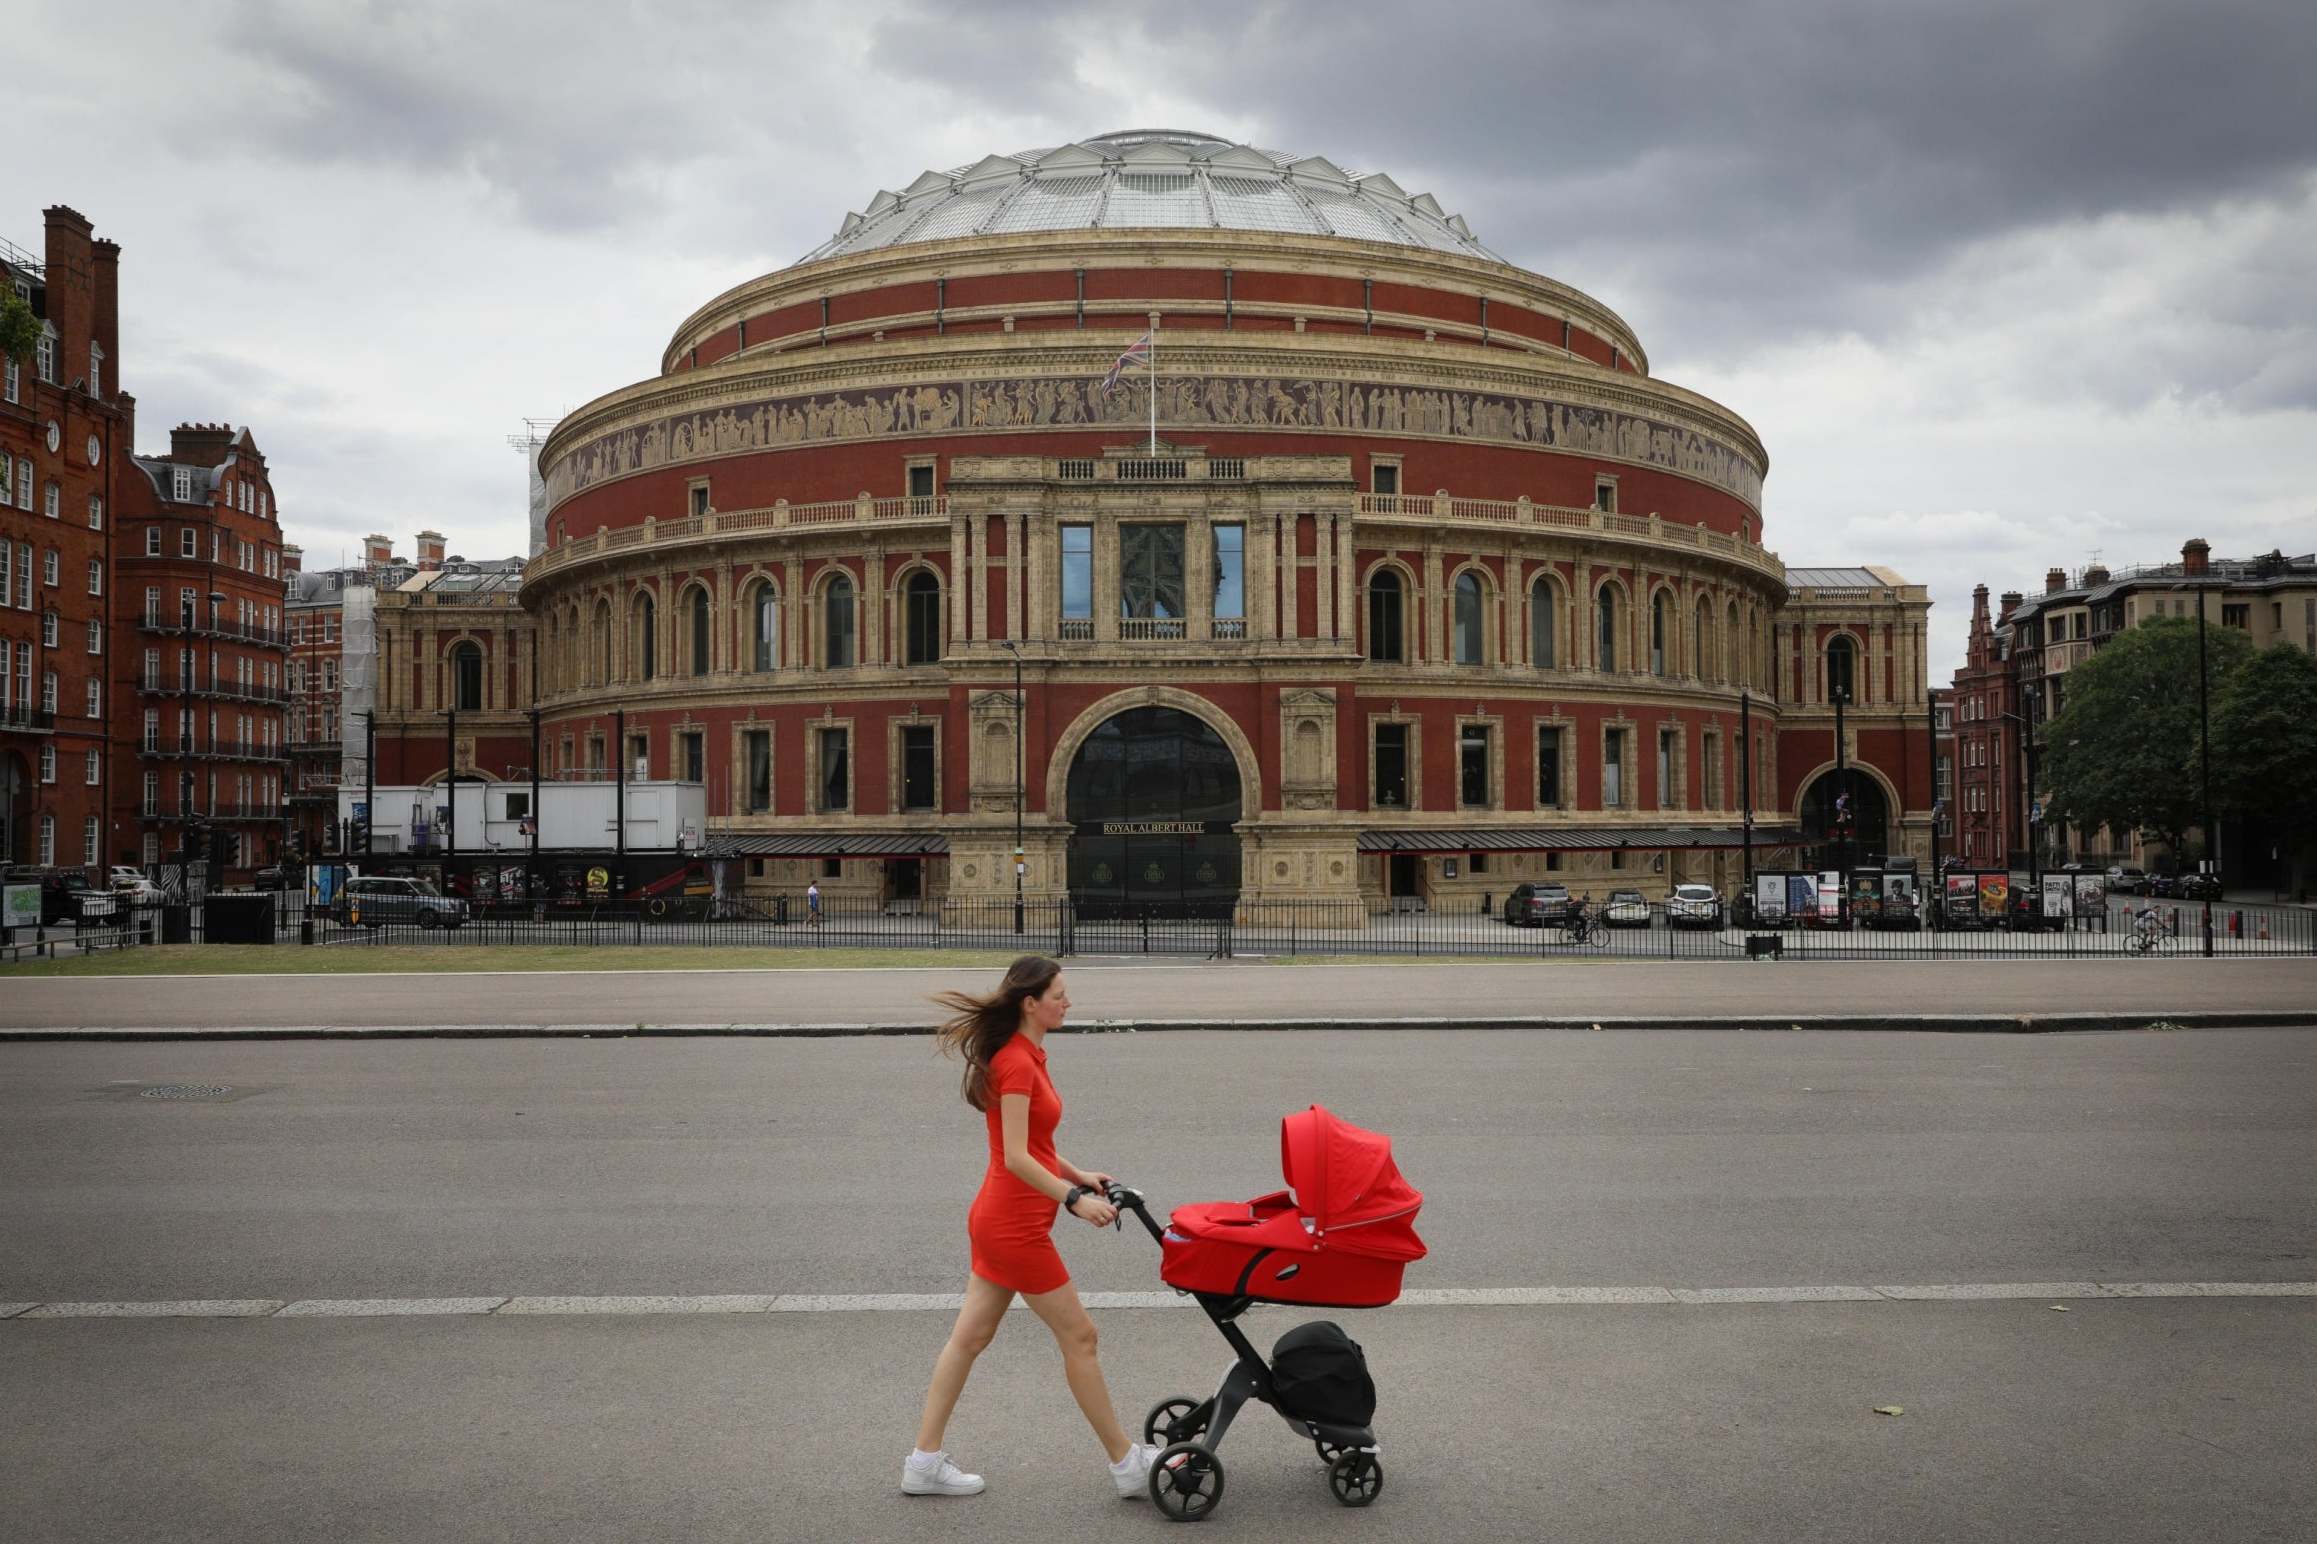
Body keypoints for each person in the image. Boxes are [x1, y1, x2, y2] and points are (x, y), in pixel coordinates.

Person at [903, 955, 1158, 1501]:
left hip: (1001, 1219)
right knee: (1081, 1337)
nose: (1068, 1003)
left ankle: (923, 1462)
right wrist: (1072, 1199)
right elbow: (1017, 1157)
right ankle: (1126, 1463)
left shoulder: (1030, 1055)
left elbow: (1035, 1146)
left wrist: (1079, 1173)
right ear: (1030, 1003)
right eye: (1060, 995)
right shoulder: (1017, 1064)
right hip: (1014, 1226)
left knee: (968, 1339)